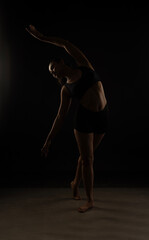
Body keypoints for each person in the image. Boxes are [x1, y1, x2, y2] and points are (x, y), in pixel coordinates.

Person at [25, 25, 109, 213]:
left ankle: (74, 183)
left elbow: (65, 43)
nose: (53, 72)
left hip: (102, 116)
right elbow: (60, 116)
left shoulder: (83, 64)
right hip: (84, 120)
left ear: (62, 62)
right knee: (88, 159)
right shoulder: (66, 89)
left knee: (85, 157)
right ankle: (90, 200)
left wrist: (42, 37)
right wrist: (48, 141)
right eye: (51, 72)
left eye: (53, 67)